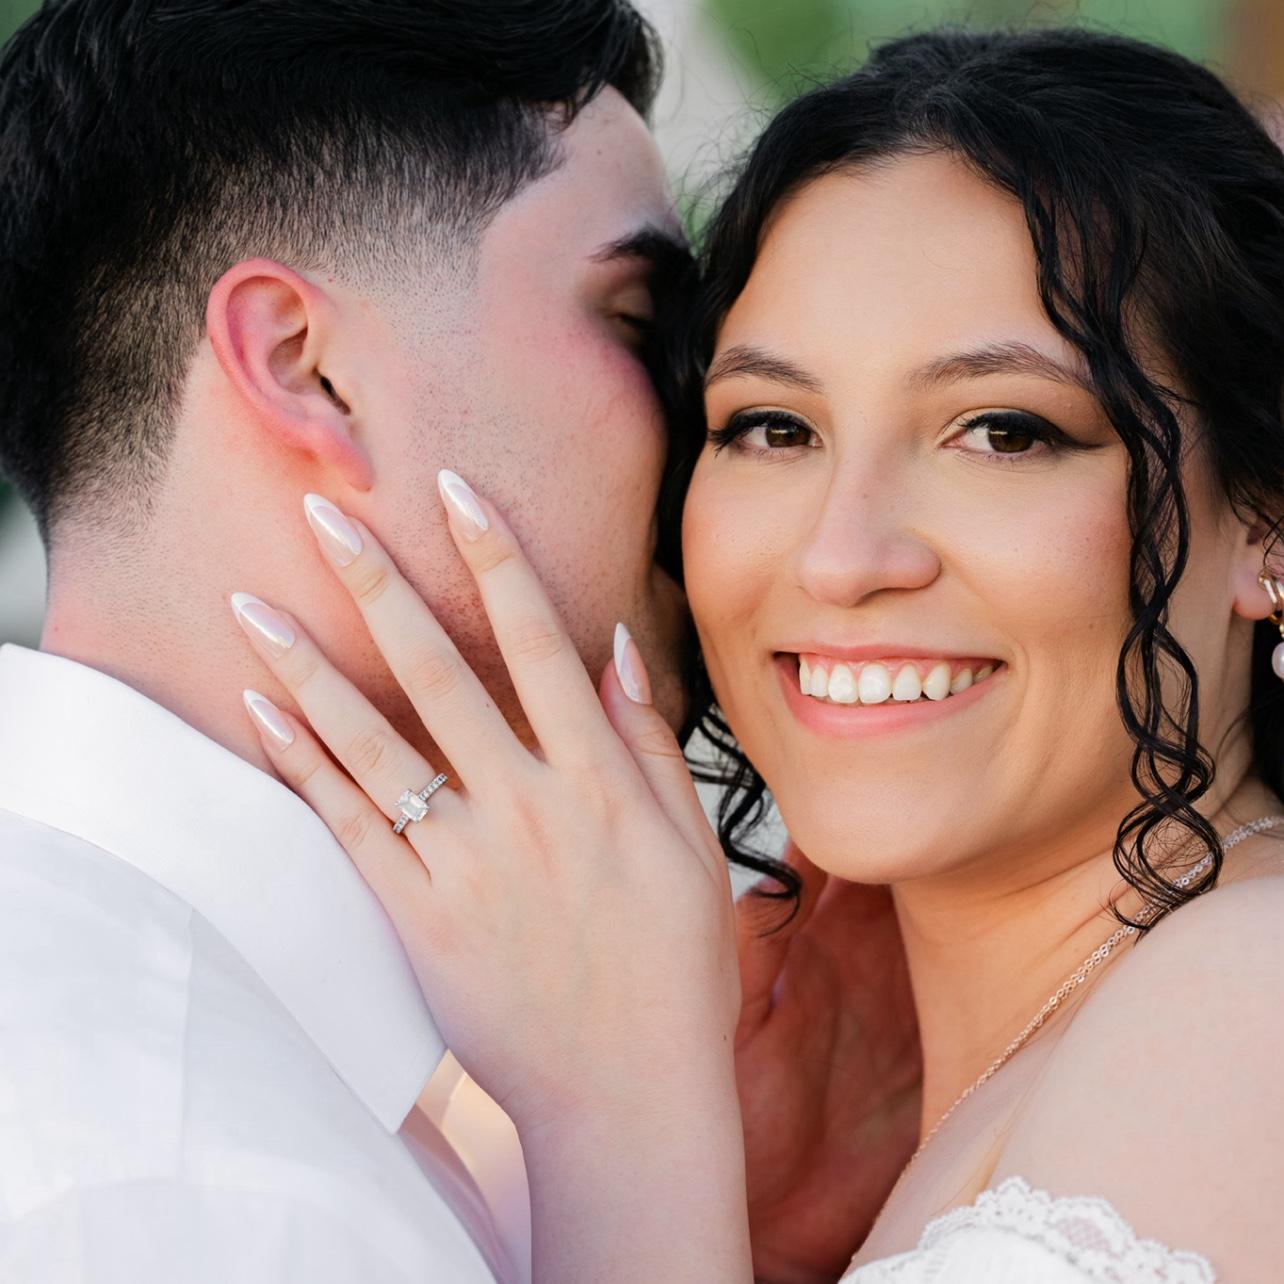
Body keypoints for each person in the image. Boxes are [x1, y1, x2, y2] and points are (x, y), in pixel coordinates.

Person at [239, 26, 1284, 1283]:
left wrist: (624, 1117)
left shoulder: (1250, 995)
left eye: (1002, 432)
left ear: (1265, 523)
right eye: (774, 427)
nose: (842, 559)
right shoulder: (974, 1088)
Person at [0, 1, 922, 1279]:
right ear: (306, 367)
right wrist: (640, 1145)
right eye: (637, 317)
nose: (711, 410)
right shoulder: (184, 1178)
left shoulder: (211, 1067)